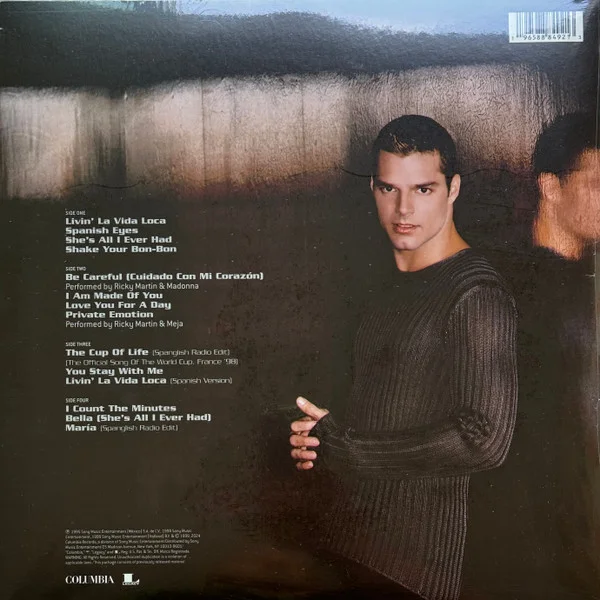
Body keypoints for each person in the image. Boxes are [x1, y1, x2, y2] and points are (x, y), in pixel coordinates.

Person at [289, 115, 518, 600]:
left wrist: (349, 450)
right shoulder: (380, 284)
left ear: (454, 189)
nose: (403, 209)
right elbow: (371, 411)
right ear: (371, 188)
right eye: (389, 188)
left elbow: (485, 439)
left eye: (423, 189)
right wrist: (313, 439)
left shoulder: (476, 291)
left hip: (413, 574)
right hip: (348, 548)